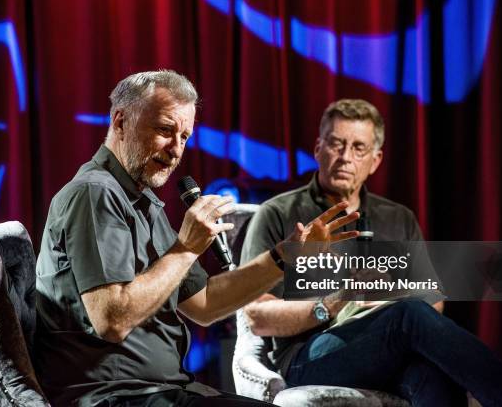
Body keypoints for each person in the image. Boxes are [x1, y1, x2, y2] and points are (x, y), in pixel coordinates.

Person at [33, 70, 360, 407]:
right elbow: (111, 319)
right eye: (165, 130)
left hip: (161, 391)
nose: (176, 150)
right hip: (113, 396)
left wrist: (283, 257)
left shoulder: (141, 201)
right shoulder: (95, 194)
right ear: (120, 122)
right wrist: (186, 248)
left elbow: (205, 304)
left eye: (185, 137)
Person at [240, 99, 502, 407]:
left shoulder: (397, 218)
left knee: (430, 376)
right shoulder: (278, 214)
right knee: (407, 314)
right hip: (308, 355)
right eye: (336, 144)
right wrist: (336, 300)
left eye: (358, 148)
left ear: (376, 160)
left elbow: (433, 303)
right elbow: (257, 316)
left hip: (388, 347)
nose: (344, 158)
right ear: (318, 148)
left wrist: (387, 299)